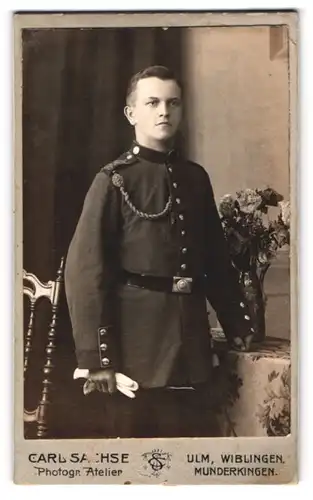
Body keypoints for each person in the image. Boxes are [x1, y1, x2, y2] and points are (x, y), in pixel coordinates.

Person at [64, 65, 254, 438]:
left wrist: (235, 321)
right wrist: (97, 358)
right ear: (131, 113)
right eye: (152, 102)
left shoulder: (195, 178)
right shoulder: (112, 179)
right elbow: (85, 272)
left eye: (172, 103)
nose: (163, 111)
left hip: (192, 345)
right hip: (136, 351)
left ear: (181, 111)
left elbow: (215, 260)